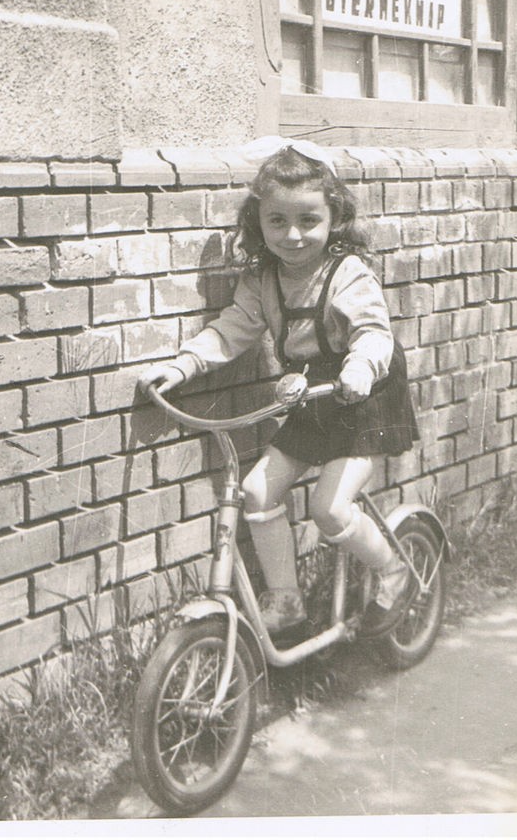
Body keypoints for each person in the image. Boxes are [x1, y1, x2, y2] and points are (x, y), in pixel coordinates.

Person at [138, 138, 419, 636]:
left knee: (330, 509)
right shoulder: (263, 280)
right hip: (313, 398)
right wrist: (182, 367)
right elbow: (233, 329)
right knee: (255, 491)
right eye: (277, 221)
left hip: (365, 395)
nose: (292, 235)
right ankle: (287, 601)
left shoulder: (347, 274)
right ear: (259, 223)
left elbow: (374, 334)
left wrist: (358, 369)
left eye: (308, 220)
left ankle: (394, 572)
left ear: (333, 218)